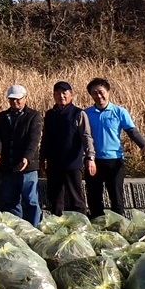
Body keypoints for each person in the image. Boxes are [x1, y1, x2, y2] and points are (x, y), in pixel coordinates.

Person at [84, 77, 145, 217]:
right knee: (94, 199)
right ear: (90, 95)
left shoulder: (119, 112)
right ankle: (97, 230)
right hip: (93, 162)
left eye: (101, 92)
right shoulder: (86, 113)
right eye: (94, 93)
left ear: (108, 92)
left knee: (117, 199)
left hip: (114, 161)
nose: (98, 96)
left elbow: (133, 133)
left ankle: (118, 231)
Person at [39, 81, 97, 216]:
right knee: (55, 199)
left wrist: (90, 157)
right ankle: (57, 226)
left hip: (73, 163)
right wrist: (42, 158)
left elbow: (86, 136)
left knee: (77, 199)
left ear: (71, 95)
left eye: (64, 93)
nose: (61, 96)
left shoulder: (78, 113)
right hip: (54, 163)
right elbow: (45, 138)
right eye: (57, 93)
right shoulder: (50, 115)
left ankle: (81, 225)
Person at [0, 84, 43, 226]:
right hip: (8, 165)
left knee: (31, 200)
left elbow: (34, 139)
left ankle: (34, 228)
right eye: (12, 100)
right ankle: (17, 228)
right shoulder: (2, 117)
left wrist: (26, 157)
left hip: (27, 166)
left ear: (25, 98)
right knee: (11, 200)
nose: (15, 102)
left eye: (18, 99)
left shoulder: (34, 116)